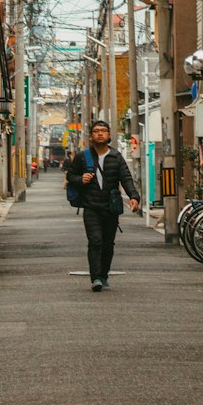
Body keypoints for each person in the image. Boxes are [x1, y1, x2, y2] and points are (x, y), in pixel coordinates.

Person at [67, 120, 140, 292]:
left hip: (110, 207)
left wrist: (134, 197)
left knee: (108, 244)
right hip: (91, 207)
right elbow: (70, 176)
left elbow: (126, 179)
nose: (100, 133)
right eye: (96, 131)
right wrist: (80, 179)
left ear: (109, 135)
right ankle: (96, 278)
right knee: (95, 241)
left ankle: (104, 274)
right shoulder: (82, 157)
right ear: (91, 136)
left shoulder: (116, 157)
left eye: (103, 131)